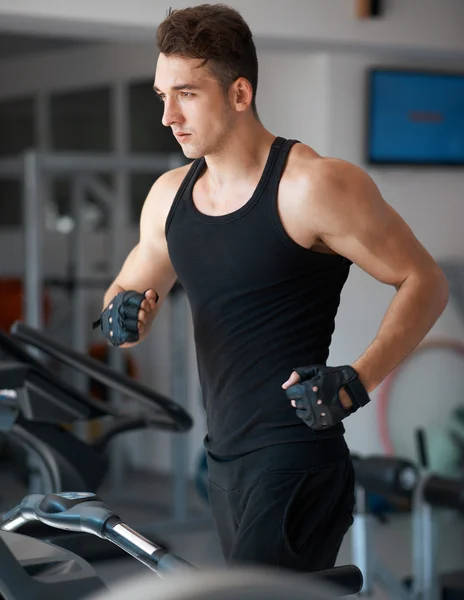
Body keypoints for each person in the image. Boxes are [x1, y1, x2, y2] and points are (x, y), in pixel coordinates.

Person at [95, 4, 449, 573]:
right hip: (223, 462)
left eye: (186, 94)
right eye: (162, 94)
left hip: (297, 457)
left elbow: (425, 280)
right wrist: (122, 315)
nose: (167, 115)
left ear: (239, 94)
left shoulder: (314, 185)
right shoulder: (169, 197)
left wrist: (357, 381)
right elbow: (127, 293)